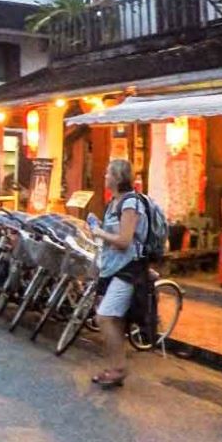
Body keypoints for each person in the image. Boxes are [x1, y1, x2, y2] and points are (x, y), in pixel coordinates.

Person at [87, 159, 148, 389]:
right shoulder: (114, 202)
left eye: (107, 173)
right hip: (113, 267)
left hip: (128, 269)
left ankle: (119, 368)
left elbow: (124, 240)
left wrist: (100, 233)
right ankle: (115, 367)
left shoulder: (130, 202)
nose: (104, 177)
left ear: (117, 177)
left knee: (104, 317)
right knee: (115, 320)